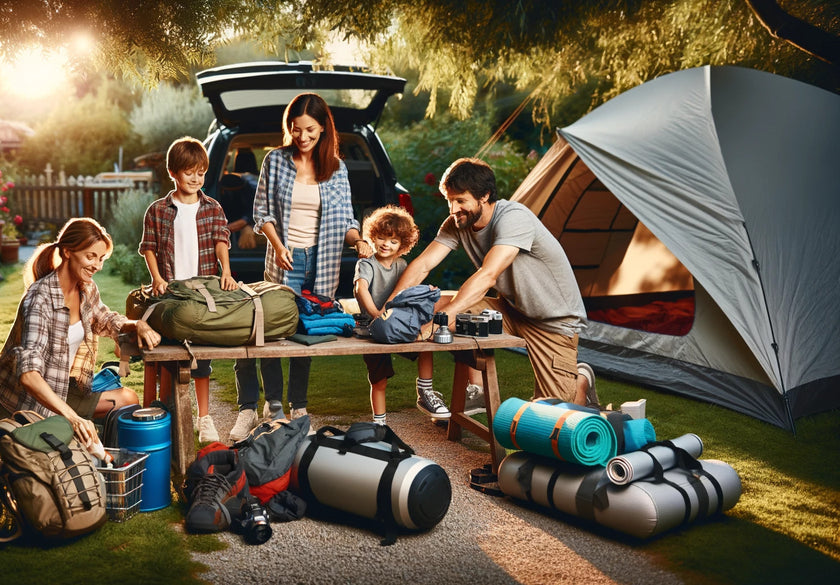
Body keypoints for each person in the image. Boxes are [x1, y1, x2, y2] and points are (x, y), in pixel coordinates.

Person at [388, 157, 599, 408]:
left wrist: (439, 322)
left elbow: (488, 275)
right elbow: (423, 264)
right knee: (427, 307)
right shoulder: (458, 223)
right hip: (510, 310)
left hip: (553, 323)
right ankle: (473, 390)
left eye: (460, 200)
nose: (453, 209)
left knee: (553, 415)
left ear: (484, 196)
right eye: (449, 200)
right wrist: (389, 307)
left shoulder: (514, 218)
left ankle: (581, 379)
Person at [229, 92, 373, 442]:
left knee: (306, 333)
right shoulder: (275, 161)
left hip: (322, 261)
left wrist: (358, 241)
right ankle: (273, 404)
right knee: (276, 329)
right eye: (296, 130)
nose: (303, 137)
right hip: (285, 257)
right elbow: (261, 212)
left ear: (323, 128)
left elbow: (346, 219)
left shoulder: (336, 169)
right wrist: (278, 247)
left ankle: (299, 404)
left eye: (309, 130)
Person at [0, 218, 161, 449]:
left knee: (127, 400)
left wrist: (136, 325)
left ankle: (105, 461)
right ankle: (85, 446)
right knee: (62, 446)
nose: (97, 265)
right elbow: (29, 376)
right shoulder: (39, 299)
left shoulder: (86, 287)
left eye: (101, 258)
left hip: (60, 387)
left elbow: (104, 318)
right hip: (14, 403)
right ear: (67, 252)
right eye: (91, 256)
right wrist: (73, 419)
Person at [139, 136, 237, 444]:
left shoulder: (212, 208)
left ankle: (204, 418)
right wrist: (156, 278)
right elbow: (149, 248)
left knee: (201, 359)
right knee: (170, 355)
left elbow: (221, 241)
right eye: (188, 172)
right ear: (173, 173)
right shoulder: (158, 210)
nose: (195, 178)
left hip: (202, 291)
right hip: (171, 291)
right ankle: (166, 415)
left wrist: (227, 272)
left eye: (200, 172)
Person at [353, 205, 421, 426]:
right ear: (373, 237)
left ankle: (426, 389)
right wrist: (376, 315)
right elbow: (360, 289)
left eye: (393, 241)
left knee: (428, 346)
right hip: (373, 326)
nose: (386, 244)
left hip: (398, 324)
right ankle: (380, 423)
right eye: (382, 238)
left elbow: (409, 290)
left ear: (403, 245)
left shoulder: (402, 265)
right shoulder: (366, 263)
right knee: (379, 379)